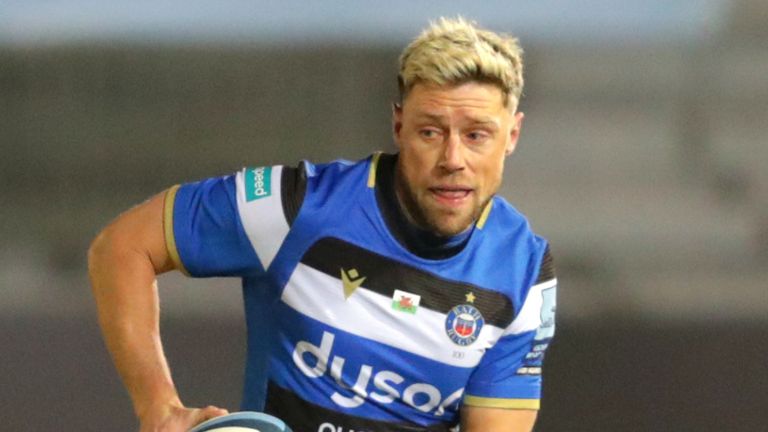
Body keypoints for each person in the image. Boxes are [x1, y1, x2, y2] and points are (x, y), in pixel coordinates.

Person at [89, 16, 557, 432]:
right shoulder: (298, 204)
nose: (453, 160)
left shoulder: (524, 270)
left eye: (477, 135)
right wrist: (158, 408)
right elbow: (122, 247)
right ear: (398, 127)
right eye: (430, 132)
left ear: (511, 135)